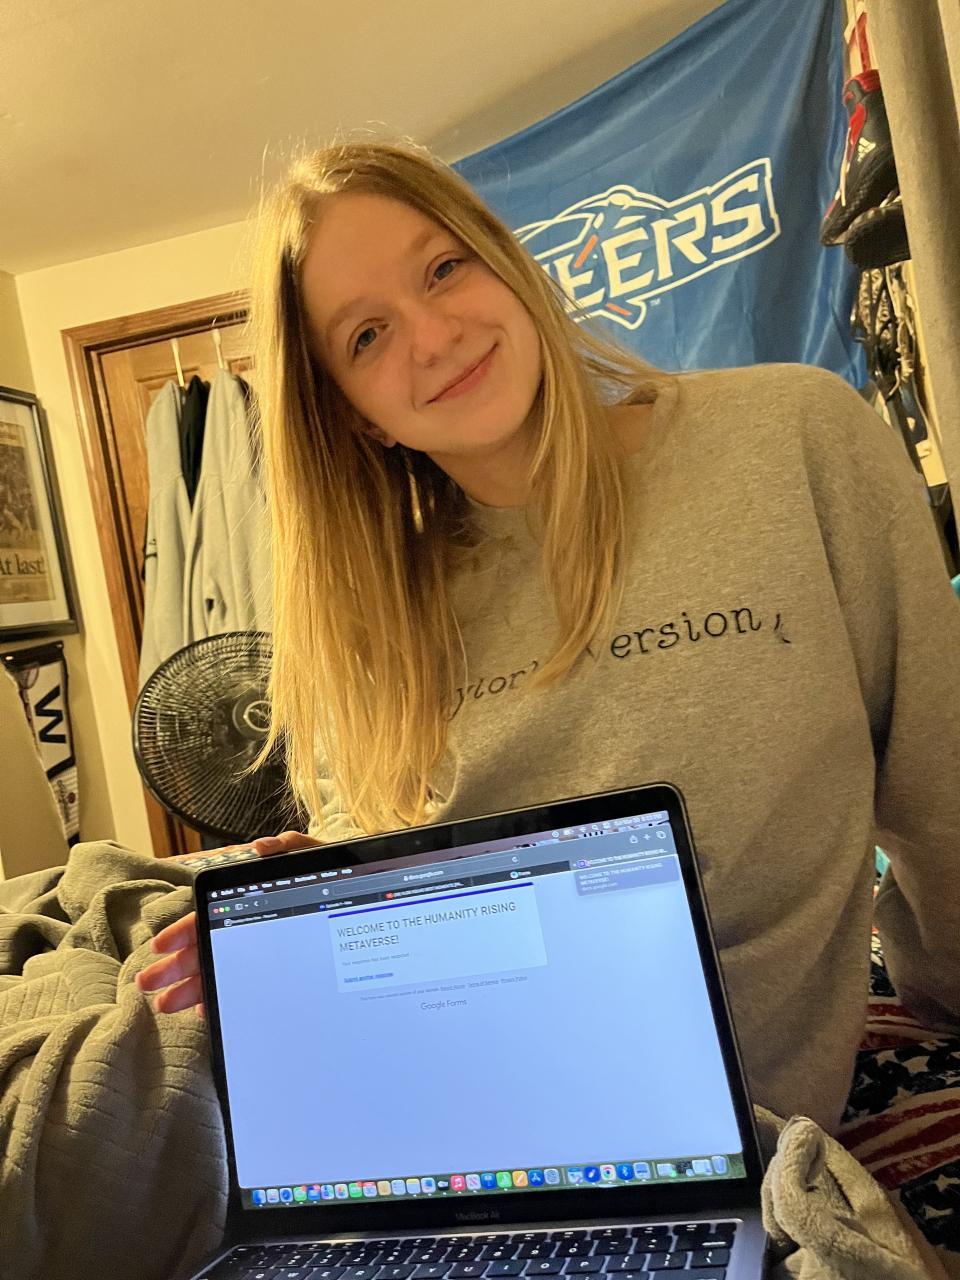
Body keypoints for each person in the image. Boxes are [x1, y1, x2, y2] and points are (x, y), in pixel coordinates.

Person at [137, 138, 960, 1136]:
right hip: (471, 1116)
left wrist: (940, 999)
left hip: (751, 1127)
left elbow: (941, 779)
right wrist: (324, 894)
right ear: (355, 419)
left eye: (444, 267)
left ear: (506, 261)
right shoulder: (373, 615)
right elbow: (402, 873)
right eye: (367, 335)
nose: (434, 335)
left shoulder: (796, 440)